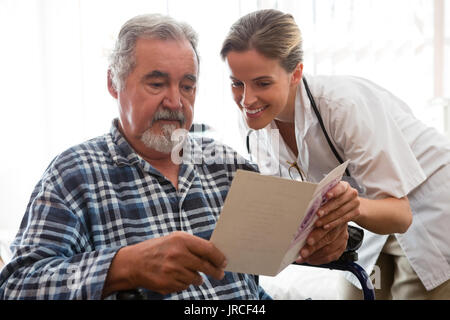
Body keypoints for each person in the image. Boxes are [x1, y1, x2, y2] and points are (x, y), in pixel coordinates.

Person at [0, 13, 353, 300]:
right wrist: (123, 266)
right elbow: (16, 286)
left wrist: (328, 242)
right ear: (114, 83)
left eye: (187, 86)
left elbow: (284, 253)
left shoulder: (230, 166)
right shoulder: (74, 174)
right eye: (157, 83)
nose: (175, 101)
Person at [220, 9, 450, 299]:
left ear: (296, 73)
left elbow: (401, 214)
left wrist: (349, 207)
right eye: (236, 83)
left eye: (262, 83)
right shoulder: (254, 120)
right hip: (367, 215)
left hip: (429, 206)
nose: (246, 99)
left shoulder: (343, 105)